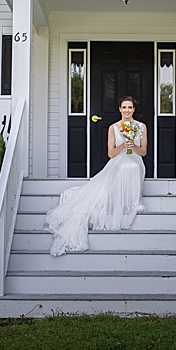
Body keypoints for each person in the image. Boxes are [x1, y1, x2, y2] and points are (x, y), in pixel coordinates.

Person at [44, 96, 147, 256]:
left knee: (132, 166)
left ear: (134, 109)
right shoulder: (113, 127)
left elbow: (144, 151)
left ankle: (133, 200)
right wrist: (122, 145)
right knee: (122, 168)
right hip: (118, 161)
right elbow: (111, 153)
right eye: (124, 107)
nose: (127, 110)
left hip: (135, 160)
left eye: (130, 107)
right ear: (120, 109)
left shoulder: (141, 127)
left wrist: (134, 145)